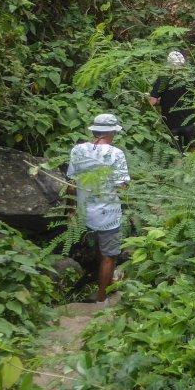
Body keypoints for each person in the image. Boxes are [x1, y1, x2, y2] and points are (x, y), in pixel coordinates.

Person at [66, 113, 130, 303]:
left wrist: (71, 210)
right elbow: (122, 186)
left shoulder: (78, 150)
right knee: (109, 256)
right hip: (108, 215)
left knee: (99, 251)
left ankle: (105, 284)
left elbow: (71, 183)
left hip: (86, 213)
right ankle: (102, 298)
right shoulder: (116, 154)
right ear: (112, 132)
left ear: (94, 131)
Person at [148, 49, 195, 152]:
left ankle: (179, 166)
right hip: (190, 122)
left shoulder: (163, 79)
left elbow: (152, 102)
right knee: (192, 149)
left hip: (171, 123)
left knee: (176, 152)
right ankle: (193, 167)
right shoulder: (192, 78)